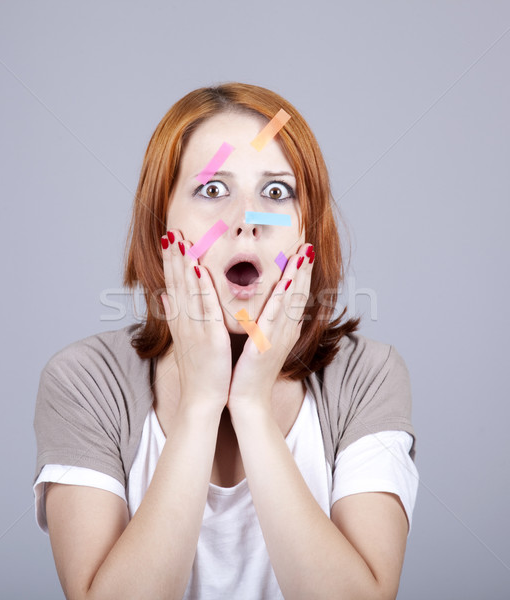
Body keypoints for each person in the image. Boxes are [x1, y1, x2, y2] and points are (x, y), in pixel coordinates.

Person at [33, 82, 419, 600]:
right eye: (213, 190)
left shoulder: (367, 376)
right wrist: (200, 404)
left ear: (308, 229)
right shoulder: (84, 381)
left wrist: (252, 407)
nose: (245, 222)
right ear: (159, 225)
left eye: (276, 192)